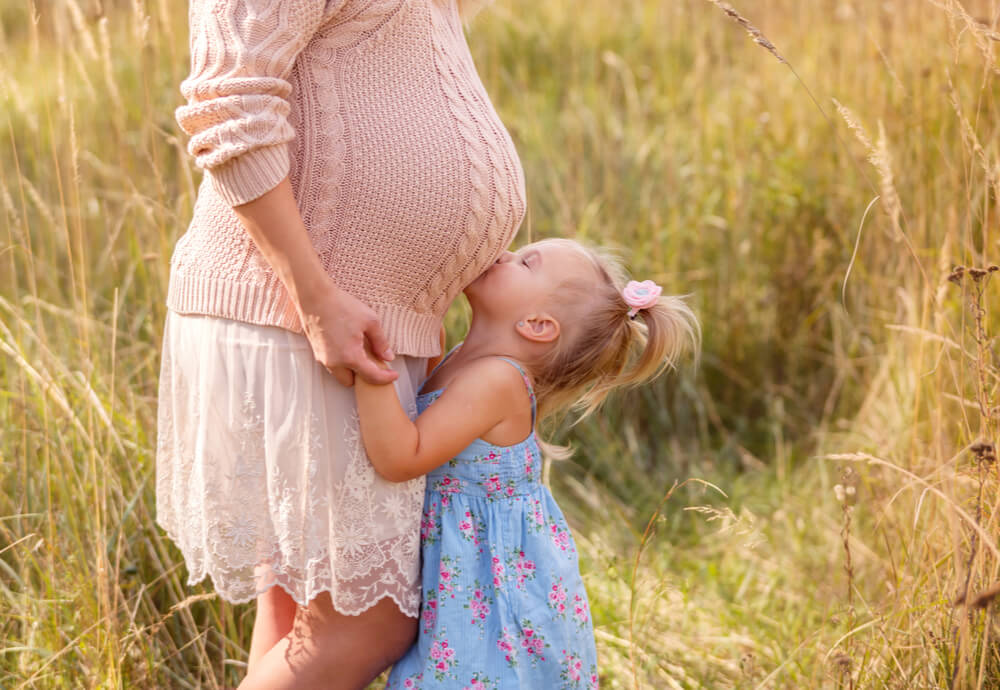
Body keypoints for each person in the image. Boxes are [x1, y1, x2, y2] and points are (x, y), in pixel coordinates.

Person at [154, 0, 526, 688]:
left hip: (353, 324)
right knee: (368, 623)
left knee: (300, 610)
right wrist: (314, 296)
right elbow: (227, 100)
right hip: (304, 317)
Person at [353, 238, 701, 688]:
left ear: (537, 325)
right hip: (464, 567)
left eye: (525, 262)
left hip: (493, 588)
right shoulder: (458, 354)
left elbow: (403, 456)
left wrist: (368, 363)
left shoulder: (497, 380)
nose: (503, 254)